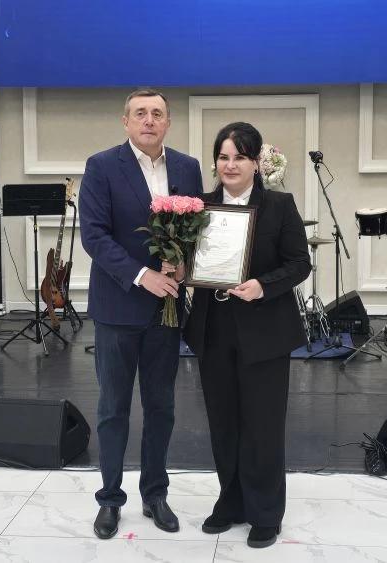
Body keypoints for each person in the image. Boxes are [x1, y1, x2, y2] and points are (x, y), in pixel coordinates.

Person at [79, 89, 203, 540]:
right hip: (118, 307)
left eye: (157, 113)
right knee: (113, 408)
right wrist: (140, 275)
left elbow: (198, 231)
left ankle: (155, 494)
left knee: (161, 406)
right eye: (140, 113)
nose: (149, 120)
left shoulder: (187, 168)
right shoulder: (102, 166)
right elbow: (94, 236)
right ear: (126, 121)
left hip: (167, 310)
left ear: (168, 122)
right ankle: (110, 500)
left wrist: (186, 264)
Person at [182, 122, 311, 549]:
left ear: (257, 162)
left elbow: (299, 263)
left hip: (264, 329)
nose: (230, 165)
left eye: (239, 157)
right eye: (223, 157)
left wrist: (262, 285)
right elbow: (187, 260)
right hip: (213, 327)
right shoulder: (198, 207)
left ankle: (265, 512)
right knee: (223, 422)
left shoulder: (279, 205)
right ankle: (231, 502)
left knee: (263, 424)